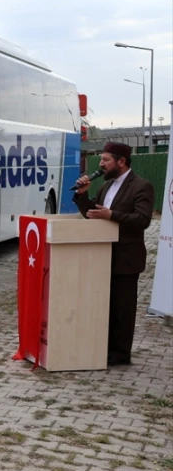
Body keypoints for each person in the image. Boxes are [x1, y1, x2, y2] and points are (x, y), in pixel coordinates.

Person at [73, 142, 155, 366]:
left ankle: (120, 354)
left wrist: (112, 215)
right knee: (104, 306)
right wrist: (82, 195)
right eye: (101, 159)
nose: (101, 164)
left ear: (121, 161)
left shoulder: (141, 186)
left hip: (126, 258)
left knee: (122, 309)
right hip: (102, 255)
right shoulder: (106, 186)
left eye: (106, 160)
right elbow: (93, 214)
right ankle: (102, 348)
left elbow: (143, 220)